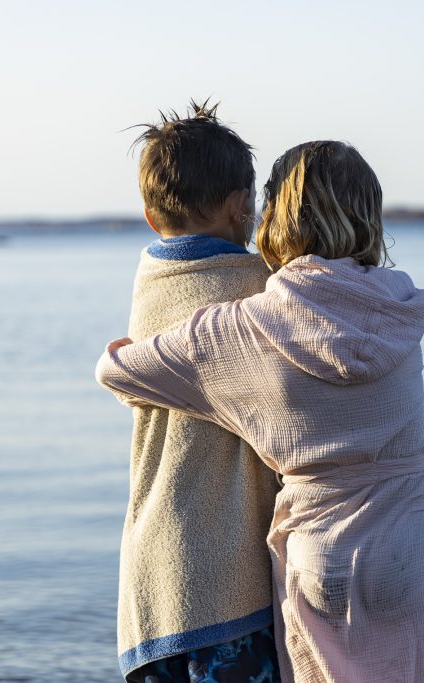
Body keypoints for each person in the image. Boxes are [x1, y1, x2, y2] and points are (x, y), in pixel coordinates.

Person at [98, 140, 424, 683]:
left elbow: (120, 372)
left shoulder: (248, 325)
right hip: (413, 528)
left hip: (321, 542)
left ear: (274, 214)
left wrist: (126, 350)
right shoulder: (399, 305)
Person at [112, 101, 281, 683]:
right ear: (241, 206)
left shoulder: (149, 281)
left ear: (151, 218)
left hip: (149, 582)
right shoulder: (257, 288)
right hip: (224, 582)